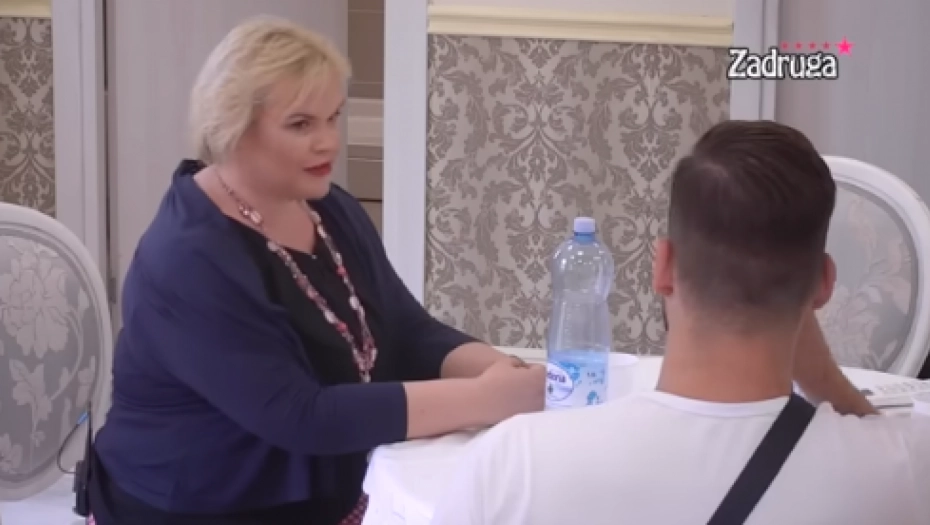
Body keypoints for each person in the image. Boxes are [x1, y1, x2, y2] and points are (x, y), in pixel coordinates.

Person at [85, 16, 544, 525]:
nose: (328, 142)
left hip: (324, 497)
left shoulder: (329, 209)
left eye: (333, 117)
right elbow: (300, 415)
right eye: (301, 124)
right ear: (233, 127)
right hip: (196, 508)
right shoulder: (188, 258)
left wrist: (500, 370)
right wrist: (482, 399)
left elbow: (405, 330)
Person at [431, 121, 930, 525]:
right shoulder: (903, 468)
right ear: (823, 284)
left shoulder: (514, 464)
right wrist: (826, 382)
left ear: (663, 267)